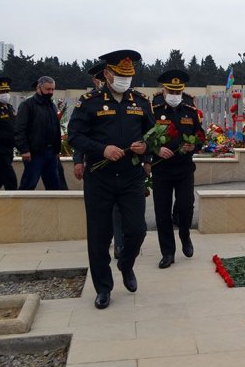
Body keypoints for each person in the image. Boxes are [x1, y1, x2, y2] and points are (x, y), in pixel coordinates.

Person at [68, 50, 155, 309]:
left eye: (128, 76)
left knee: (137, 229)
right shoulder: (89, 102)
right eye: (119, 75)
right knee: (99, 236)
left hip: (131, 176)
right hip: (100, 177)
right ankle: (103, 288)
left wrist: (146, 148)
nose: (124, 80)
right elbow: (74, 136)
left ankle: (126, 264)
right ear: (107, 74)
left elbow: (150, 133)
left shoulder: (140, 102)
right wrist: (101, 149)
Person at [151, 69, 203, 268]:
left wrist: (194, 145)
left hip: (184, 169)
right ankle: (168, 252)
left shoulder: (189, 111)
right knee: (162, 212)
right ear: (164, 90)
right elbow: (143, 136)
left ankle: (185, 235)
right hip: (161, 170)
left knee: (186, 206)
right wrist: (157, 149)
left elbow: (199, 135)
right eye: (171, 92)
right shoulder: (154, 109)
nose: (174, 96)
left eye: (177, 92)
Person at [72, 62, 124, 260]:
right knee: (102, 218)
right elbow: (79, 138)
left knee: (119, 211)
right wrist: (78, 161)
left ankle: (120, 245)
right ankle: (106, 242)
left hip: (122, 169)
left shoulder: (126, 101)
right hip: (97, 167)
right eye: (98, 80)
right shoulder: (88, 102)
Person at [15, 76, 62, 190]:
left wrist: (57, 149)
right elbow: (19, 129)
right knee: (28, 185)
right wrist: (24, 150)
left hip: (51, 153)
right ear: (38, 88)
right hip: (34, 154)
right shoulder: (27, 105)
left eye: (52, 89)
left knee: (54, 188)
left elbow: (55, 128)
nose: (50, 92)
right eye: (47, 89)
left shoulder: (52, 105)